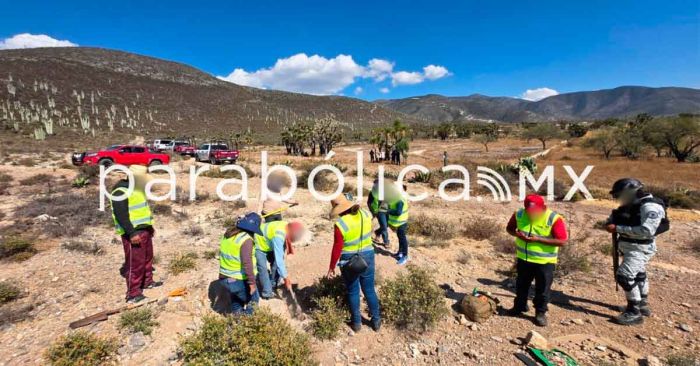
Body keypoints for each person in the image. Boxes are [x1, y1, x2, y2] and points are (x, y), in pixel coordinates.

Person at [604, 178, 667, 325]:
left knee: (624, 276)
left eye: (619, 194)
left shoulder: (650, 206)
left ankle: (634, 312)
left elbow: (646, 230)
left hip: (640, 248)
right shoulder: (633, 205)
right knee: (639, 275)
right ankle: (642, 305)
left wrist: (617, 228)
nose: (618, 198)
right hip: (631, 246)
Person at [505, 194, 568, 327]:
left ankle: (540, 313)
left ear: (543, 207)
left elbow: (562, 241)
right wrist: (518, 235)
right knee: (521, 285)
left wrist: (537, 239)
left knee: (542, 289)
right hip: (524, 259)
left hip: (545, 262)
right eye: (530, 211)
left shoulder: (553, 218)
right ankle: (519, 307)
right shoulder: (519, 214)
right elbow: (510, 229)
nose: (532, 214)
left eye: (536, 211)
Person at [327, 195, 381, 332]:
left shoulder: (341, 224)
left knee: (353, 291)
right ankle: (376, 321)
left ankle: (356, 323)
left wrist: (332, 267)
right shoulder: (365, 214)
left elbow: (337, 247)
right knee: (369, 290)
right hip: (368, 255)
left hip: (349, 260)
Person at [111, 165, 162, 304]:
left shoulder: (136, 189)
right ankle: (133, 293)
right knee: (135, 263)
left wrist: (150, 227)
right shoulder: (120, 191)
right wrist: (131, 233)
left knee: (147, 259)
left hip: (144, 230)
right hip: (133, 233)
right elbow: (121, 215)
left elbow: (141, 210)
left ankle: (147, 282)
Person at [219, 212, 264, 315]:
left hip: (224, 278)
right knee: (253, 299)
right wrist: (252, 284)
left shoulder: (228, 235)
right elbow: (247, 263)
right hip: (238, 279)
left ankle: (237, 322)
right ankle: (246, 324)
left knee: (236, 300)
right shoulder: (246, 239)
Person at [254, 220, 305, 299]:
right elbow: (279, 261)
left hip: (269, 242)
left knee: (275, 264)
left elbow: (278, 261)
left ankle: (273, 285)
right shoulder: (279, 236)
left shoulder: (286, 225)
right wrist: (286, 278)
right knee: (263, 269)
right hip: (259, 244)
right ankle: (267, 293)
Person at [387, 188, 410, 265]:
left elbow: (398, 212)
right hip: (399, 222)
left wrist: (388, 211)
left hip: (402, 222)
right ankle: (400, 252)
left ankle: (405, 256)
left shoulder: (399, 200)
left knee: (403, 239)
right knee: (400, 237)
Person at [367, 179, 389, 247]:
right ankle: (386, 242)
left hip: (386, 210)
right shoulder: (372, 193)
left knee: (386, 225)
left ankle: (378, 232)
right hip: (379, 212)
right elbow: (369, 202)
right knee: (384, 226)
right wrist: (373, 211)